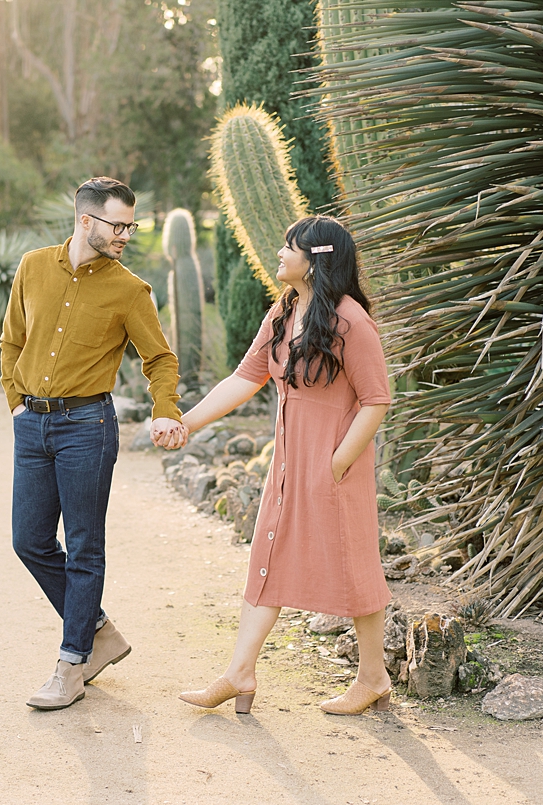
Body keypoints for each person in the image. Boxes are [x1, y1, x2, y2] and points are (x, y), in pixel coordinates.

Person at [166, 215, 394, 715]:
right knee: (266, 557)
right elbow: (241, 381)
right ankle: (239, 674)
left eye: (289, 246)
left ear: (314, 261)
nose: (279, 253)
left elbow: (377, 400)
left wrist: (336, 465)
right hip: (289, 464)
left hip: (334, 467)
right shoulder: (283, 313)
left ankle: (373, 678)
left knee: (354, 564)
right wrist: (187, 424)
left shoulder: (352, 321)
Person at [1, 177, 188, 710]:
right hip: (32, 425)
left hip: (88, 427)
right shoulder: (33, 267)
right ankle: (99, 630)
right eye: (118, 224)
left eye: (132, 224)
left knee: (84, 546)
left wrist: (164, 408)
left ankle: (72, 663)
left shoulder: (130, 290)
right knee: (29, 540)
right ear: (86, 220)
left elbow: (160, 358)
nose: (126, 233)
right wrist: (16, 404)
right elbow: (11, 339)